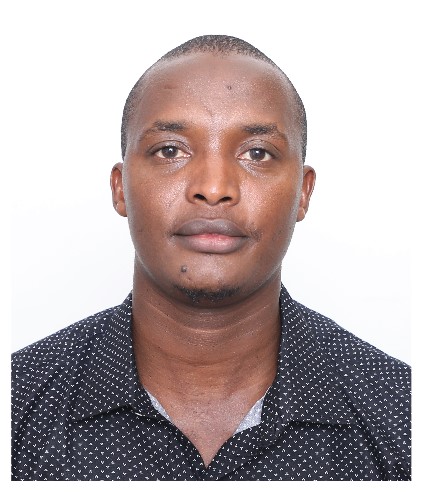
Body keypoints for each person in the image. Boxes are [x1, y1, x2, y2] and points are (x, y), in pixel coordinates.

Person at [11, 34, 411, 481]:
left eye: (257, 153)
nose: (214, 187)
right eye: (170, 150)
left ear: (303, 192)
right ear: (120, 189)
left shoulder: (400, 416)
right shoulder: (18, 404)